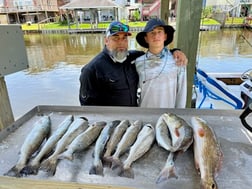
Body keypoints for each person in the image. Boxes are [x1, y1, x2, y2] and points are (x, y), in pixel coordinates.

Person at [79, 21, 187, 106]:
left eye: (124, 38)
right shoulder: (91, 70)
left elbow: (155, 53)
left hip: (134, 121)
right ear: (106, 41)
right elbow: (87, 107)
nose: (121, 43)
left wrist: (175, 51)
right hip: (111, 125)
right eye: (116, 38)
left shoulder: (134, 57)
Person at [135, 18, 187, 108]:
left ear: (165, 36)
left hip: (168, 115)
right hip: (144, 113)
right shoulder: (138, 62)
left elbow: (182, 92)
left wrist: (179, 113)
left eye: (159, 32)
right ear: (146, 38)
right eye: (152, 32)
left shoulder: (178, 60)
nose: (156, 35)